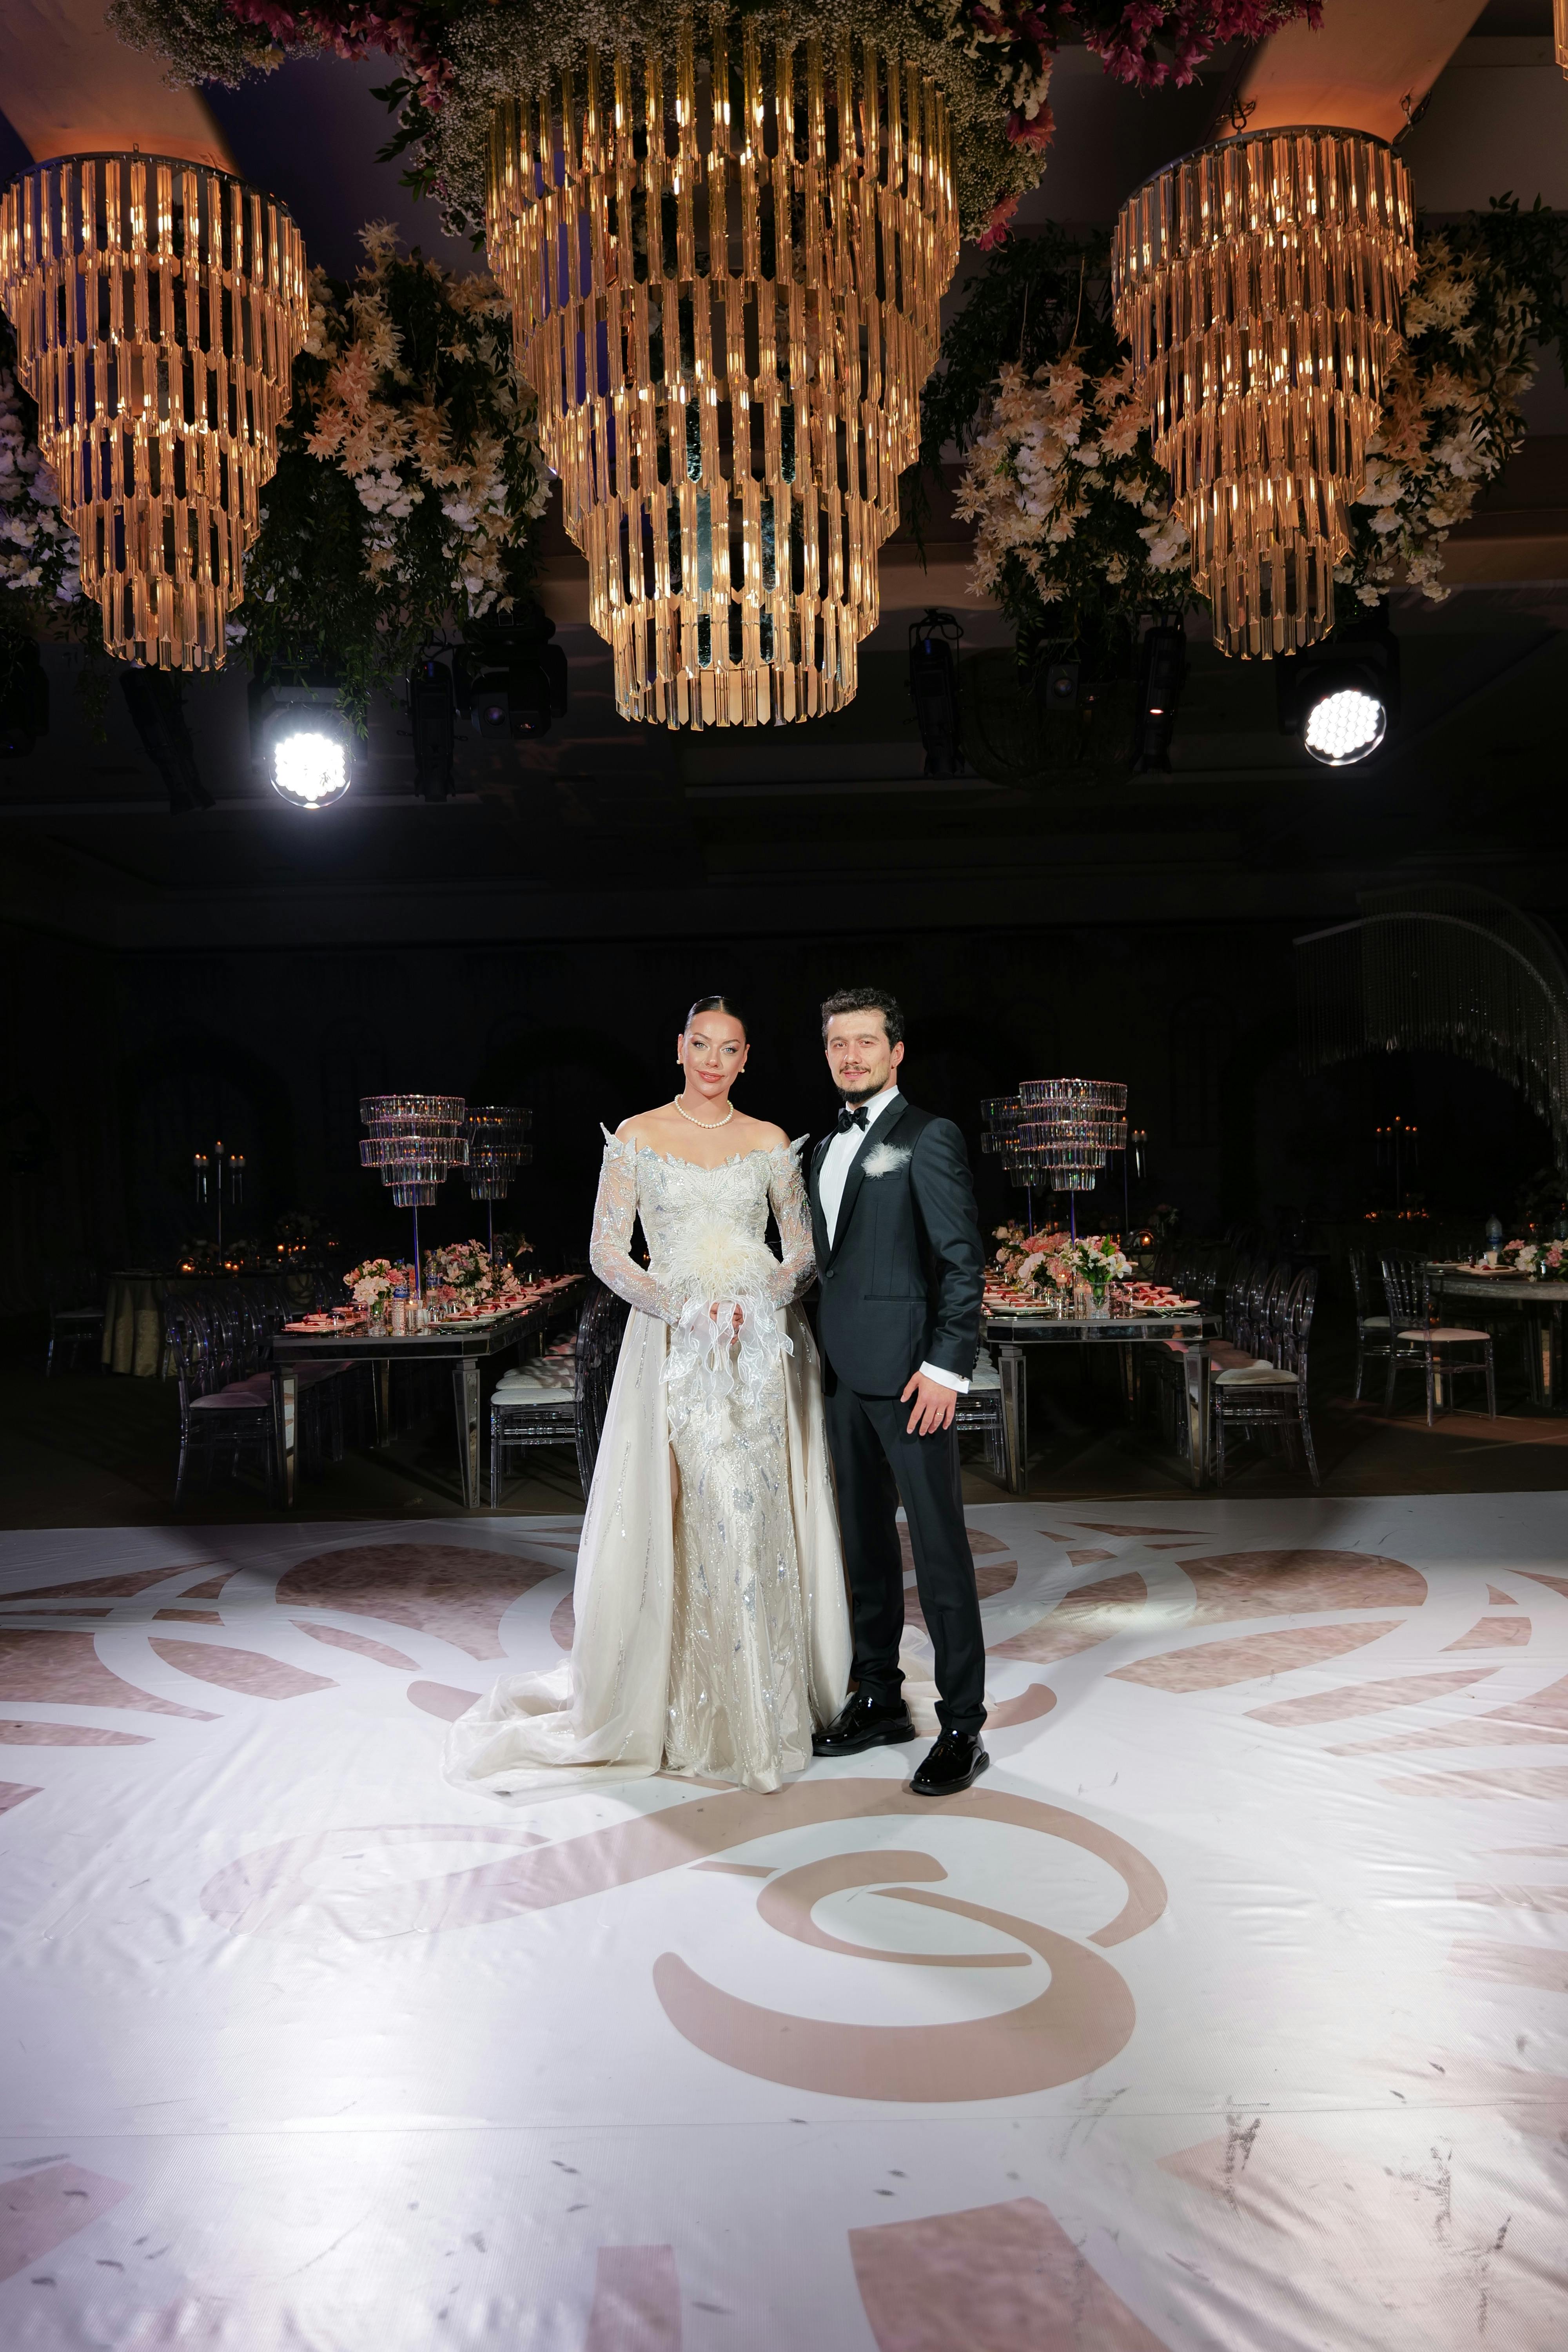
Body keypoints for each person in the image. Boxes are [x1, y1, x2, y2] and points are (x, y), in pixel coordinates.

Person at [444, 995, 851, 1797]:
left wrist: (760, 1301)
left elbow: (802, 1251)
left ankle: (767, 1703)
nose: (713, 1059)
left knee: (757, 1505)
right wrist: (684, 1309)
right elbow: (607, 1250)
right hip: (672, 1342)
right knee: (684, 1504)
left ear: (745, 1060)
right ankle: (682, 1705)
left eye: (729, 1048)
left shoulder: (769, 1140)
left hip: (758, 1347)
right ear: (679, 1048)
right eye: (701, 1043)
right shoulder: (635, 1136)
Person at [807, 986, 989, 1796]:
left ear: (896, 1052)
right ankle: (879, 1694)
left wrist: (946, 1367)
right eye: (837, 1044)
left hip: (915, 1380)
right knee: (864, 1546)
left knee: (939, 1551)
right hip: (841, 1376)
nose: (851, 1056)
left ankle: (962, 1726)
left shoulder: (928, 1136)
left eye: (866, 1042)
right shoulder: (819, 1146)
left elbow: (961, 1261)